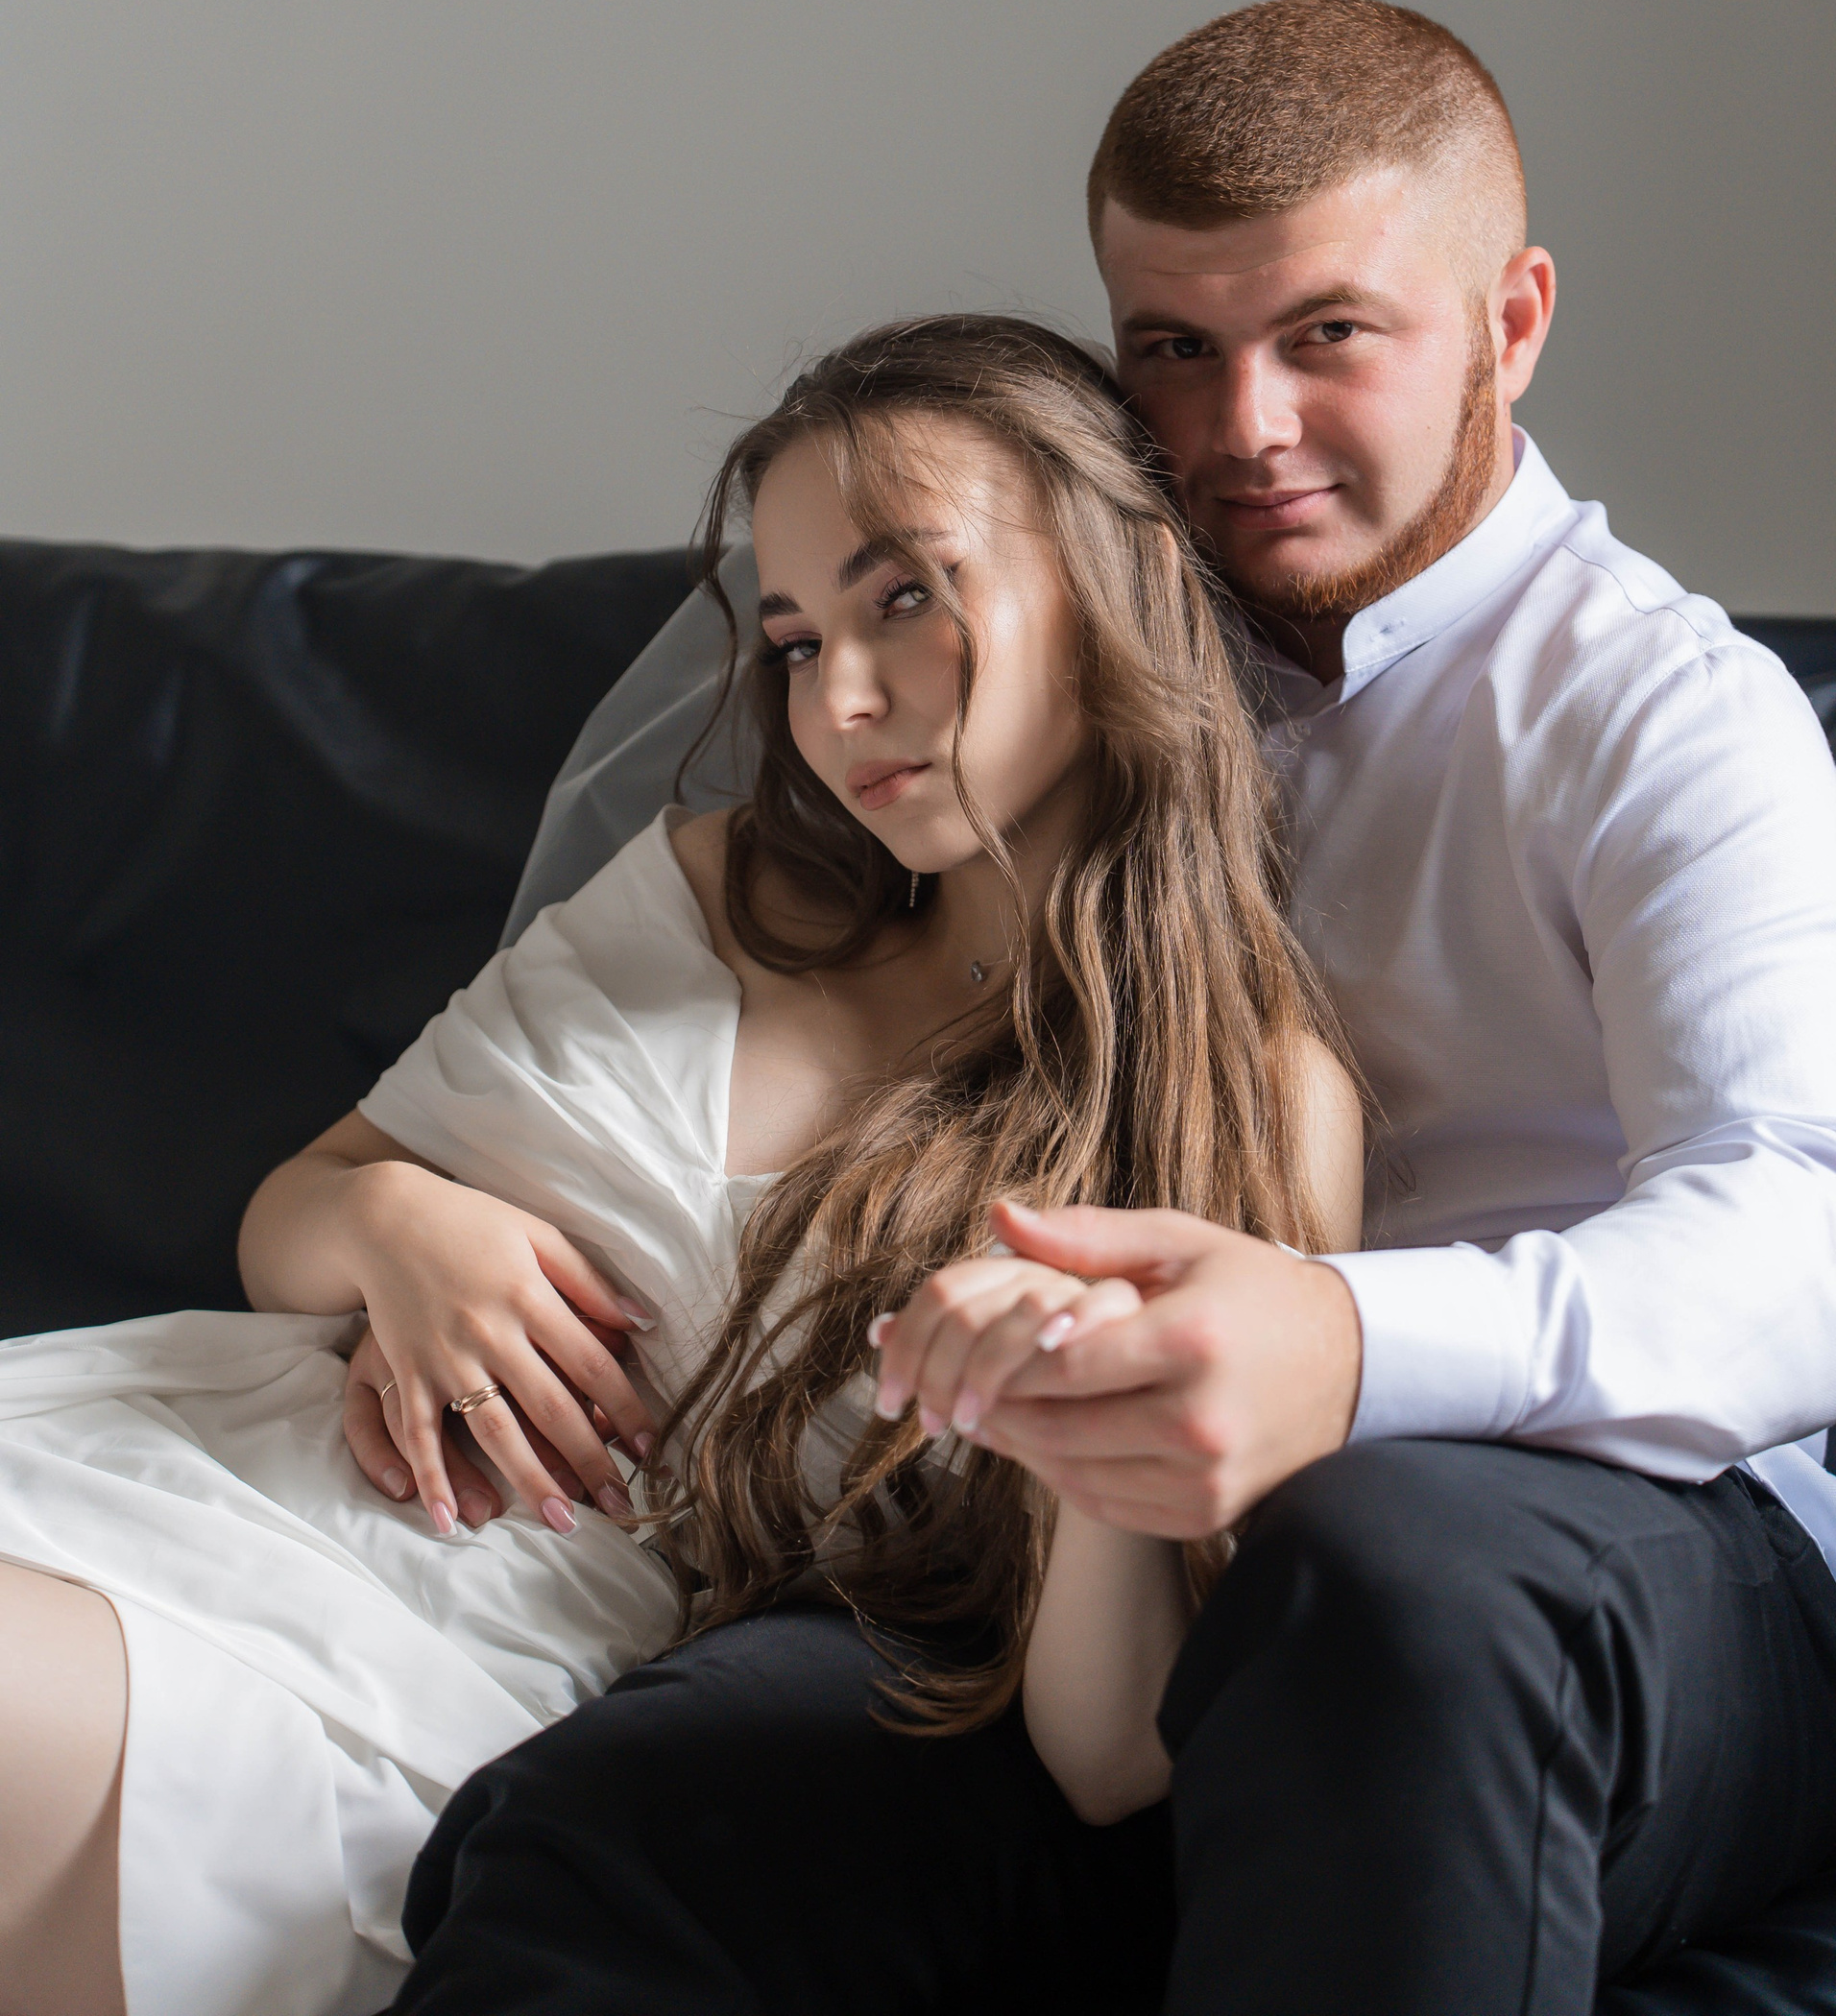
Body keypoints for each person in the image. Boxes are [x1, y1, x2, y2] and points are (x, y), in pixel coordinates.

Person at [387, 0, 1836, 2015]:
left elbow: (1802, 1238)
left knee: (1384, 1584)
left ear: (1509, 325)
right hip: (1109, 1561)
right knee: (644, 1802)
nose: (1243, 428)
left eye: (1328, 335)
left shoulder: (1664, 721)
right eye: (1172, 347)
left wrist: (1344, 1343)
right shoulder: (1052, 648)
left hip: (1621, 1545)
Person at [0, 316, 1360, 2016]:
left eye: (907, 596)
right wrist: (401, 1224)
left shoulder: (1248, 1100)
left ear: (1123, 578)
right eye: (795, 641)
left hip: (432, 1649)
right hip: (166, 1458)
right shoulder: (723, 882)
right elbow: (292, 1218)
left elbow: (1110, 1755)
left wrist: (1088, 1423)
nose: (839, 702)